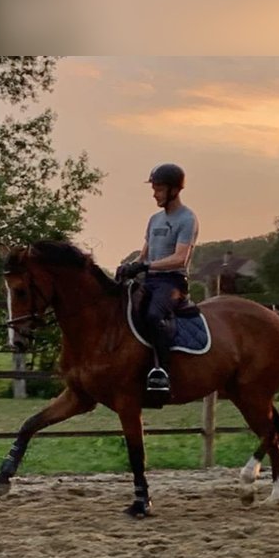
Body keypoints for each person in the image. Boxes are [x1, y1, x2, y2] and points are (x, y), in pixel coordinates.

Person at [115, 162, 199, 391]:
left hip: (173, 283)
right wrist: (130, 266)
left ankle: (162, 371)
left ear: (175, 190)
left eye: (159, 189)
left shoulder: (187, 219)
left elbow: (180, 258)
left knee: (153, 315)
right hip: (150, 280)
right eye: (154, 189)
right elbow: (144, 254)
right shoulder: (154, 219)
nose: (155, 194)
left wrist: (146, 266)